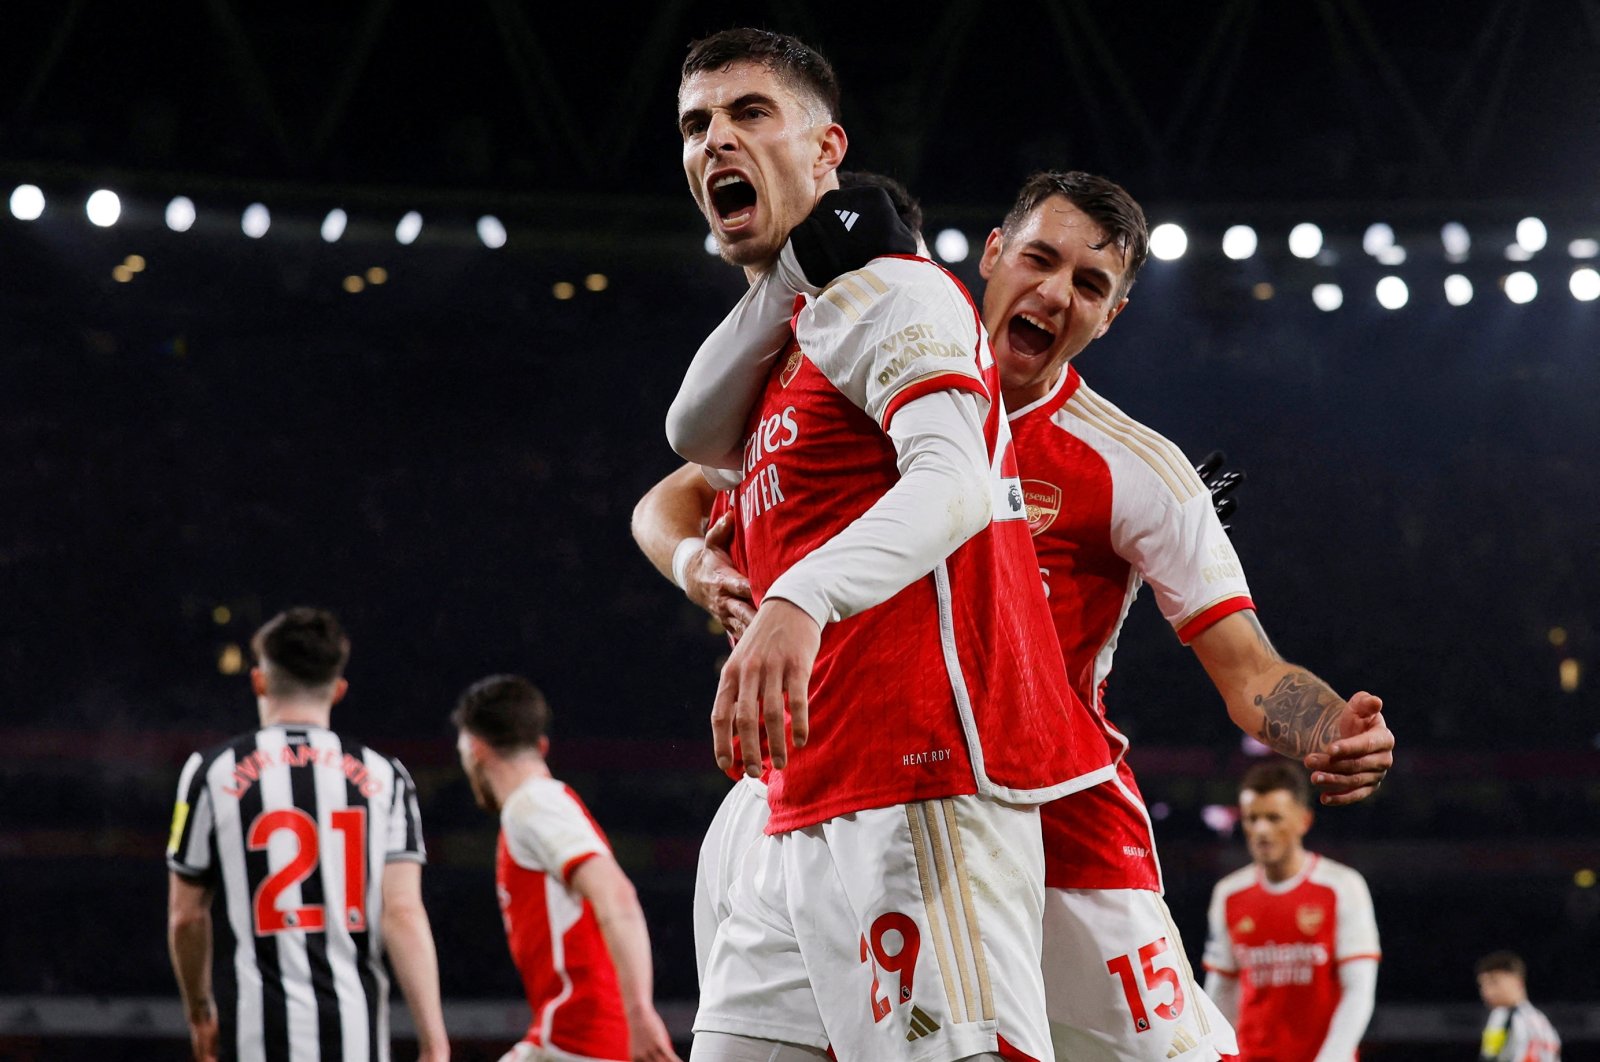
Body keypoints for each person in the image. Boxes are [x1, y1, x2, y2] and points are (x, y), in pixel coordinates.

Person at [637, 168, 1395, 1062]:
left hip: (1060, 814)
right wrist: (699, 567)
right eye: (1039, 259)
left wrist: (1327, 732)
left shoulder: (1139, 469)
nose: (1053, 293)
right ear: (992, 254)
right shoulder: (879, 362)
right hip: (860, 792)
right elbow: (671, 496)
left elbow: (1250, 671)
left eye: (1089, 285)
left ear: (1110, 317)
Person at [669, 27, 1116, 1062]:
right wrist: (787, 275)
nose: (715, 142)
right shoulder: (786, 347)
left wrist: (799, 597)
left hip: (918, 781)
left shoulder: (893, 294)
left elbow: (954, 478)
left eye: (748, 114)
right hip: (804, 794)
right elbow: (686, 437)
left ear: (828, 150)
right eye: (695, 126)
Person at [166, 606, 448, 1062]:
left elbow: (186, 917)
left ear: (259, 680)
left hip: (257, 1034)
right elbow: (403, 913)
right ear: (338, 691)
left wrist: (200, 1012)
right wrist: (434, 1039)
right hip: (355, 1036)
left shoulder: (209, 772)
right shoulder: (387, 776)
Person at [451, 674, 681, 1062]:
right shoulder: (542, 805)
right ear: (541, 745)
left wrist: (639, 1013)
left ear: (474, 748)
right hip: (580, 1037)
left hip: (579, 1039)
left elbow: (617, 893)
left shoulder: (534, 803)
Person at [1203, 762, 1380, 1062]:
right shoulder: (1228, 893)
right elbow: (1221, 990)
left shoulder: (1342, 887)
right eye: (1252, 819)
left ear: (1304, 821)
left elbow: (1359, 989)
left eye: (1273, 818)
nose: (1261, 830)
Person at [1476, 951, 1562, 1062]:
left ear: (1517, 982)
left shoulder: (1502, 1015)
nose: (1486, 991)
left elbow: (1489, 1057)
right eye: (1482, 985)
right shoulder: (1541, 1021)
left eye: (1494, 982)